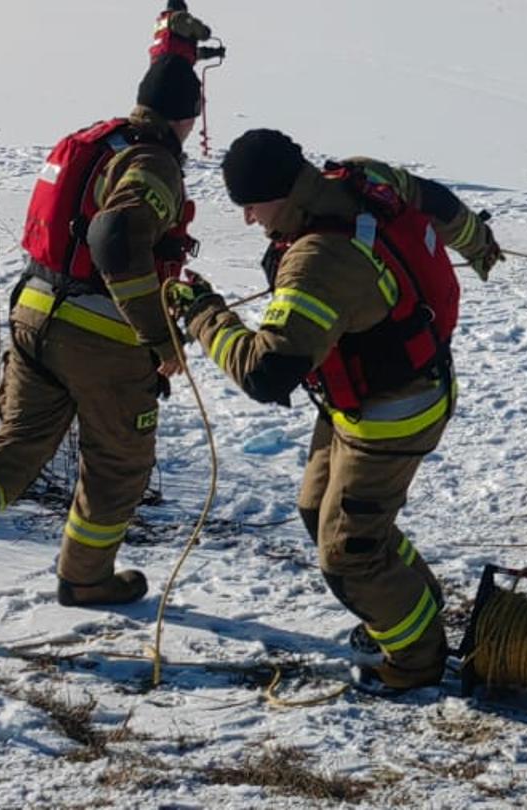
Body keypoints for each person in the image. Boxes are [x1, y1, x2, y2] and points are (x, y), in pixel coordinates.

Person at [0, 20, 214, 641]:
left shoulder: (100, 142)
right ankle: (86, 578)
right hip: (101, 334)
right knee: (119, 461)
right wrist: (158, 337)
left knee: (17, 444)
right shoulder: (154, 162)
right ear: (187, 120)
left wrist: (176, 42)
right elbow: (116, 237)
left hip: (34, 314)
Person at [168, 128, 501, 694]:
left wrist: (203, 314)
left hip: (393, 416)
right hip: (360, 400)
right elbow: (433, 198)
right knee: (317, 510)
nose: (248, 219)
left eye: (252, 206)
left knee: (348, 553)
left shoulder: (318, 259)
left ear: (282, 193)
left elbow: (266, 372)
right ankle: (409, 605)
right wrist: (477, 242)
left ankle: (416, 662)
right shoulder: (361, 176)